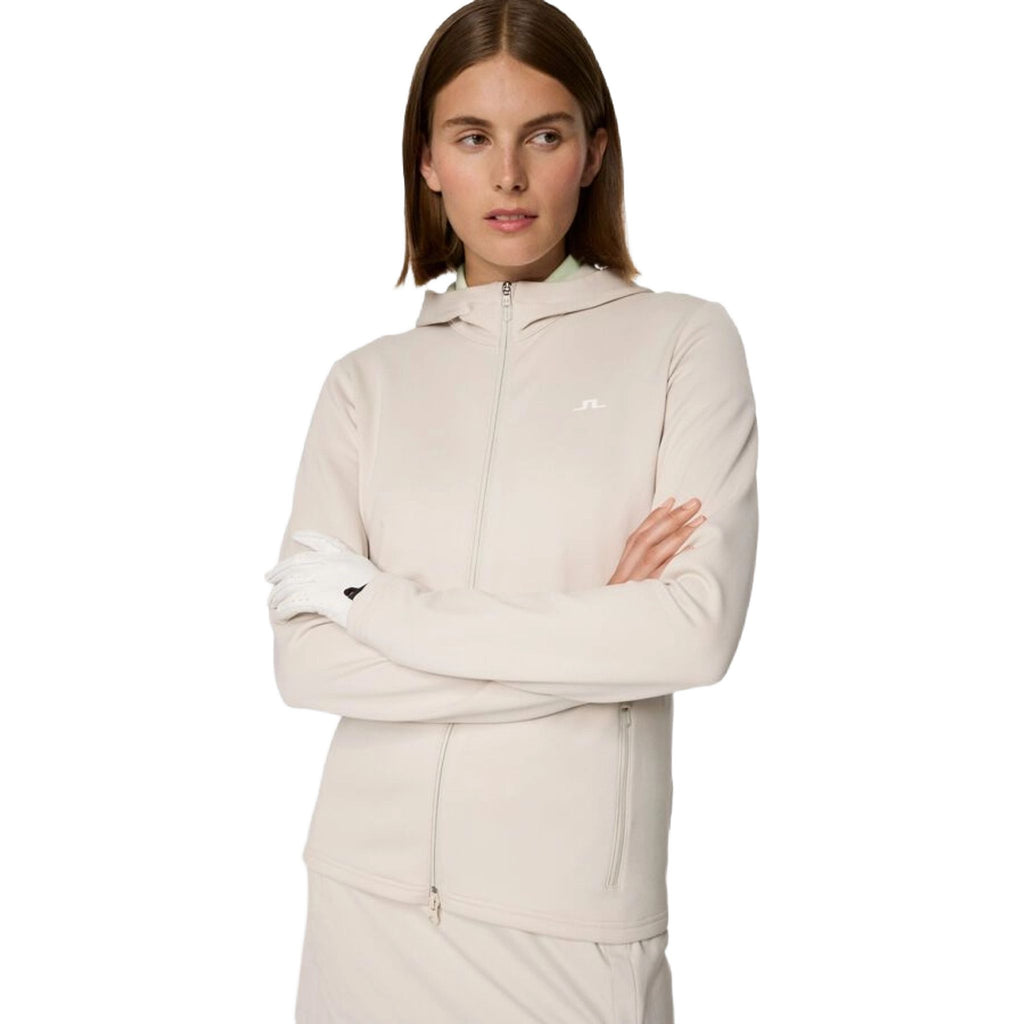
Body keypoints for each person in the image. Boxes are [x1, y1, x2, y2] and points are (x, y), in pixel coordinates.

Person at [263, 0, 759, 1020]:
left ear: (593, 152)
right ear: (426, 160)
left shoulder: (682, 344)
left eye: (544, 135)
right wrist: (596, 643)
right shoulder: (366, 383)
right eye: (471, 137)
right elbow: (306, 664)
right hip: (363, 904)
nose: (509, 176)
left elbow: (691, 635)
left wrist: (378, 606)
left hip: (571, 927)